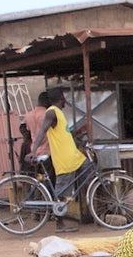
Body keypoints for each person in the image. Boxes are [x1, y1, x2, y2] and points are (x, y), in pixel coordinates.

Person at [27, 86, 95, 233]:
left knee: (91, 170)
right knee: (62, 193)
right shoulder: (52, 112)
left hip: (73, 156)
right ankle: (60, 223)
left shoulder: (58, 113)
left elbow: (64, 135)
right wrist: (33, 151)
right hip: (65, 159)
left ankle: (93, 202)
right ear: (62, 98)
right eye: (64, 98)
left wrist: (79, 142)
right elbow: (41, 132)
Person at [21, 91, 52, 174]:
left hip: (34, 151)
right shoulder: (48, 114)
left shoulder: (28, 115)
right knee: (51, 180)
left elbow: (27, 130)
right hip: (48, 152)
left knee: (38, 177)